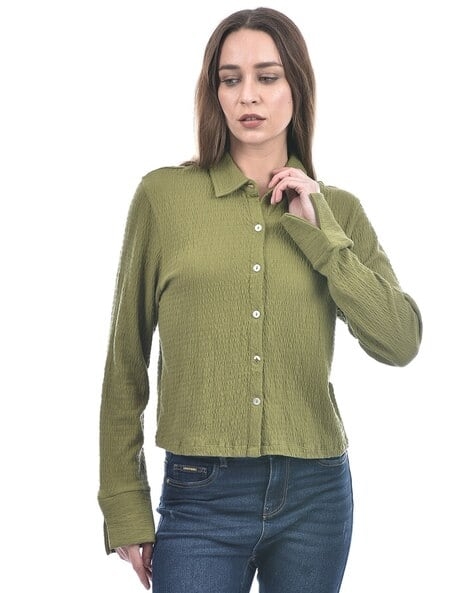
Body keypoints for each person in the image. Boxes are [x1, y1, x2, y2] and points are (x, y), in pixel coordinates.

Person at [98, 7, 422, 593]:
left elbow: (400, 342)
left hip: (317, 497)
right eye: (231, 79)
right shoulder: (162, 198)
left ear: (297, 87)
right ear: (215, 93)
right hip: (200, 496)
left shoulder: (338, 211)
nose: (248, 94)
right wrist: (124, 503)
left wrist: (323, 237)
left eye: (267, 77)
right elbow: (125, 361)